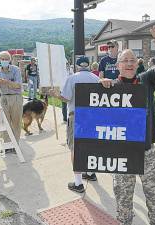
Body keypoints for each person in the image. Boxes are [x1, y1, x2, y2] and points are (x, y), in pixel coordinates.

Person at [100, 25, 155, 225]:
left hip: (146, 150)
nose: (129, 63)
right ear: (118, 64)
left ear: (138, 63)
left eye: (133, 60)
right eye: (125, 60)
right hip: (121, 152)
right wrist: (101, 88)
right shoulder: (109, 87)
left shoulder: (146, 80)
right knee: (123, 195)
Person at [50, 56, 100, 193]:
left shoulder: (72, 78)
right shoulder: (96, 79)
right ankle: (90, 172)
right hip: (93, 116)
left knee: (75, 148)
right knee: (90, 145)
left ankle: (78, 183)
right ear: (88, 65)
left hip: (76, 116)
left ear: (77, 66)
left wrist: (56, 94)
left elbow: (66, 98)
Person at [0, 51, 23, 153]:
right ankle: (6, 145)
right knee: (4, 122)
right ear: (0, 60)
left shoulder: (16, 70)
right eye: (2, 59)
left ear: (9, 60)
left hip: (15, 97)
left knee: (16, 122)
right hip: (4, 97)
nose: (4, 61)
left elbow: (18, 85)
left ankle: (15, 145)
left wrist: (6, 82)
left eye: (6, 59)